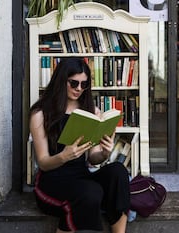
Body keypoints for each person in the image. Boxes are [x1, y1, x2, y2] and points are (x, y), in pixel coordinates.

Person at [29, 57, 130, 233]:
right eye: (74, 83)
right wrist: (64, 156)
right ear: (62, 81)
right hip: (52, 182)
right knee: (91, 192)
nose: (79, 89)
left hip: (81, 176)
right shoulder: (41, 114)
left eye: (84, 85)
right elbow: (43, 162)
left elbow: (93, 157)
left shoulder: (91, 111)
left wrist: (105, 152)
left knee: (118, 172)